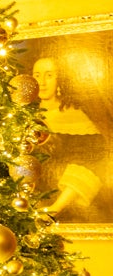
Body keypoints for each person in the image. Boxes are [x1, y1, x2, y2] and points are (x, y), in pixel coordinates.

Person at [32, 55, 108, 221]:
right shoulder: (23, 115)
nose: (42, 82)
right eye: (37, 75)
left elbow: (91, 165)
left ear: (60, 79)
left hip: (65, 204)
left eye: (49, 75)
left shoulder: (75, 115)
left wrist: (55, 209)